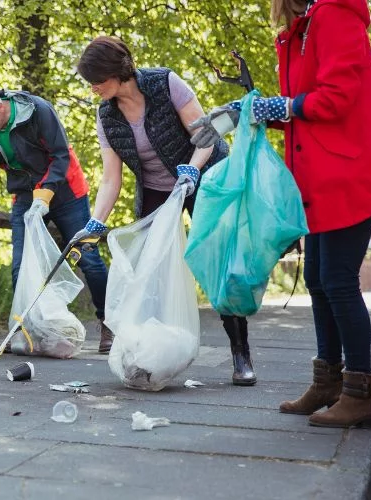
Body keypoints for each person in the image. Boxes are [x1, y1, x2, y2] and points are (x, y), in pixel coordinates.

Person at [191, 0, 371, 427]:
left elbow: (335, 99)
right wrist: (246, 113)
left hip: (347, 172)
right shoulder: (304, 28)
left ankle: (359, 394)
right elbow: (304, 109)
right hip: (319, 176)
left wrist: (278, 107)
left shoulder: (334, 16)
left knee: (336, 280)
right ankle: (328, 382)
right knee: (317, 278)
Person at [68, 36, 258, 386]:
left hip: (203, 177)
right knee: (147, 271)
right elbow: (111, 179)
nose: (93, 88)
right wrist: (96, 222)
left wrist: (192, 171)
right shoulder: (106, 115)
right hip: (157, 191)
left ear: (116, 72)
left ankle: (240, 354)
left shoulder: (164, 82)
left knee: (219, 266)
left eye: (97, 80)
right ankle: (147, 355)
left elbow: (209, 134)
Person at [0, 84, 113, 353]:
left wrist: (46, 194)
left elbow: (60, 154)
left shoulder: (38, 110)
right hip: (25, 196)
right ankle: (27, 330)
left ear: (1, 108)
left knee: (88, 258)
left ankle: (110, 323)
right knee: (20, 266)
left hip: (66, 191)